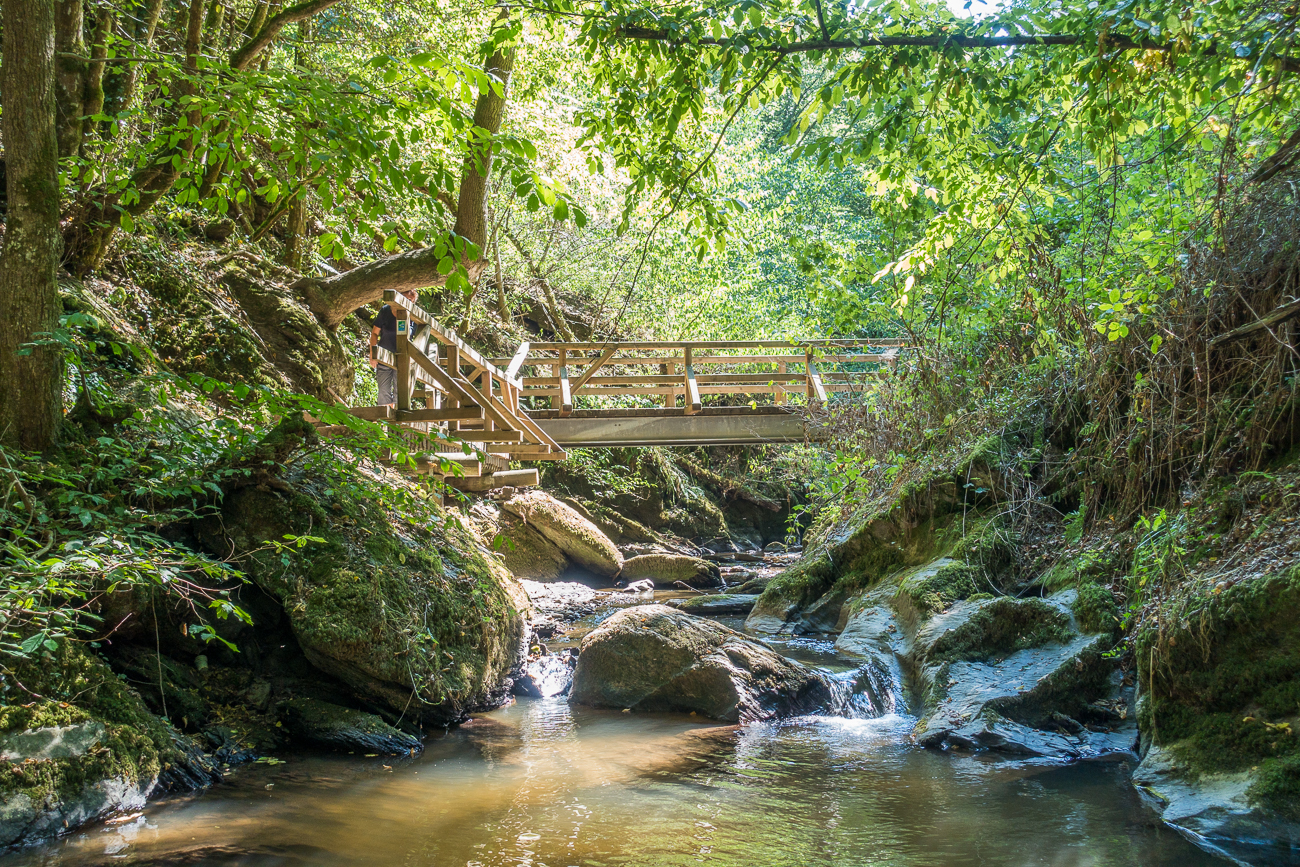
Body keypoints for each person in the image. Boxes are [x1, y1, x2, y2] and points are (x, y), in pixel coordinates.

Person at [368, 288, 419, 406]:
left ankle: (397, 415)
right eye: (406, 298)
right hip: (384, 355)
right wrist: (372, 354)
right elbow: (375, 333)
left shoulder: (414, 315)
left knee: (400, 393)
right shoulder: (386, 310)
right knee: (383, 391)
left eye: (411, 300)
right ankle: (384, 415)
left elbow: (416, 339)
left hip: (402, 358)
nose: (408, 301)